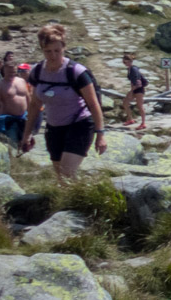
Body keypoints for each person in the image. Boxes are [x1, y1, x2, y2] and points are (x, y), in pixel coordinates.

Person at [22, 23, 108, 182]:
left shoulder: (76, 72)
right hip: (54, 128)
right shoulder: (37, 71)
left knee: (66, 173)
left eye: (57, 51)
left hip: (80, 124)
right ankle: (70, 203)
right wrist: (27, 134)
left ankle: (81, 204)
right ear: (42, 49)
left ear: (64, 48)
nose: (53, 55)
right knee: (60, 176)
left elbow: (94, 104)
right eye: (48, 51)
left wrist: (100, 134)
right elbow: (34, 105)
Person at [0, 55, 30, 157]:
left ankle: (24, 162)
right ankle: (14, 163)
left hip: (25, 117)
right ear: (4, 71)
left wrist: (32, 113)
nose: (11, 74)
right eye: (9, 72)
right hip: (10, 120)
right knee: (12, 143)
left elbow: (28, 97)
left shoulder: (21, 81)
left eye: (13, 72)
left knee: (26, 143)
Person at [121, 53, 148, 130]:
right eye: (124, 62)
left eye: (125, 62)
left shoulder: (133, 69)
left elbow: (137, 82)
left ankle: (143, 123)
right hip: (135, 89)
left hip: (138, 89)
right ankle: (130, 119)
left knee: (140, 106)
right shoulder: (130, 69)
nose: (124, 63)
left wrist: (131, 91)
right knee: (125, 103)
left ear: (130, 61)